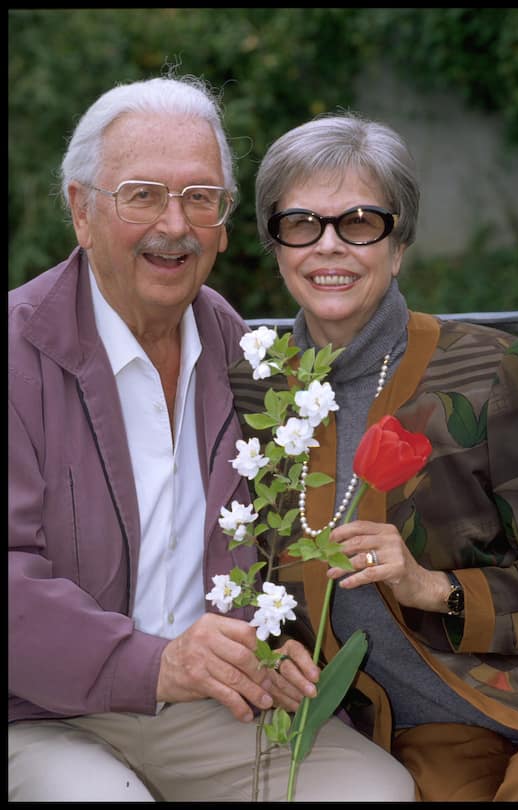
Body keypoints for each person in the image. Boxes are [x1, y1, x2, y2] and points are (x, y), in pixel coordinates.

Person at [8, 76, 416, 802]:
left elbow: (264, 537)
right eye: (142, 195)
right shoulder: (16, 351)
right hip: (38, 709)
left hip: (202, 706)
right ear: (81, 210)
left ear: (225, 224)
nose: (176, 225)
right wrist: (154, 664)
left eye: (201, 199)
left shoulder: (241, 353)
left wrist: (266, 646)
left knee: (373, 793)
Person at [230, 112, 518, 801]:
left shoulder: (491, 372)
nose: (328, 247)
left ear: (398, 244)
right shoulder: (252, 390)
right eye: (301, 223)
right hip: (407, 736)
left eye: (360, 222)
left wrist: (437, 588)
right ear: (275, 245)